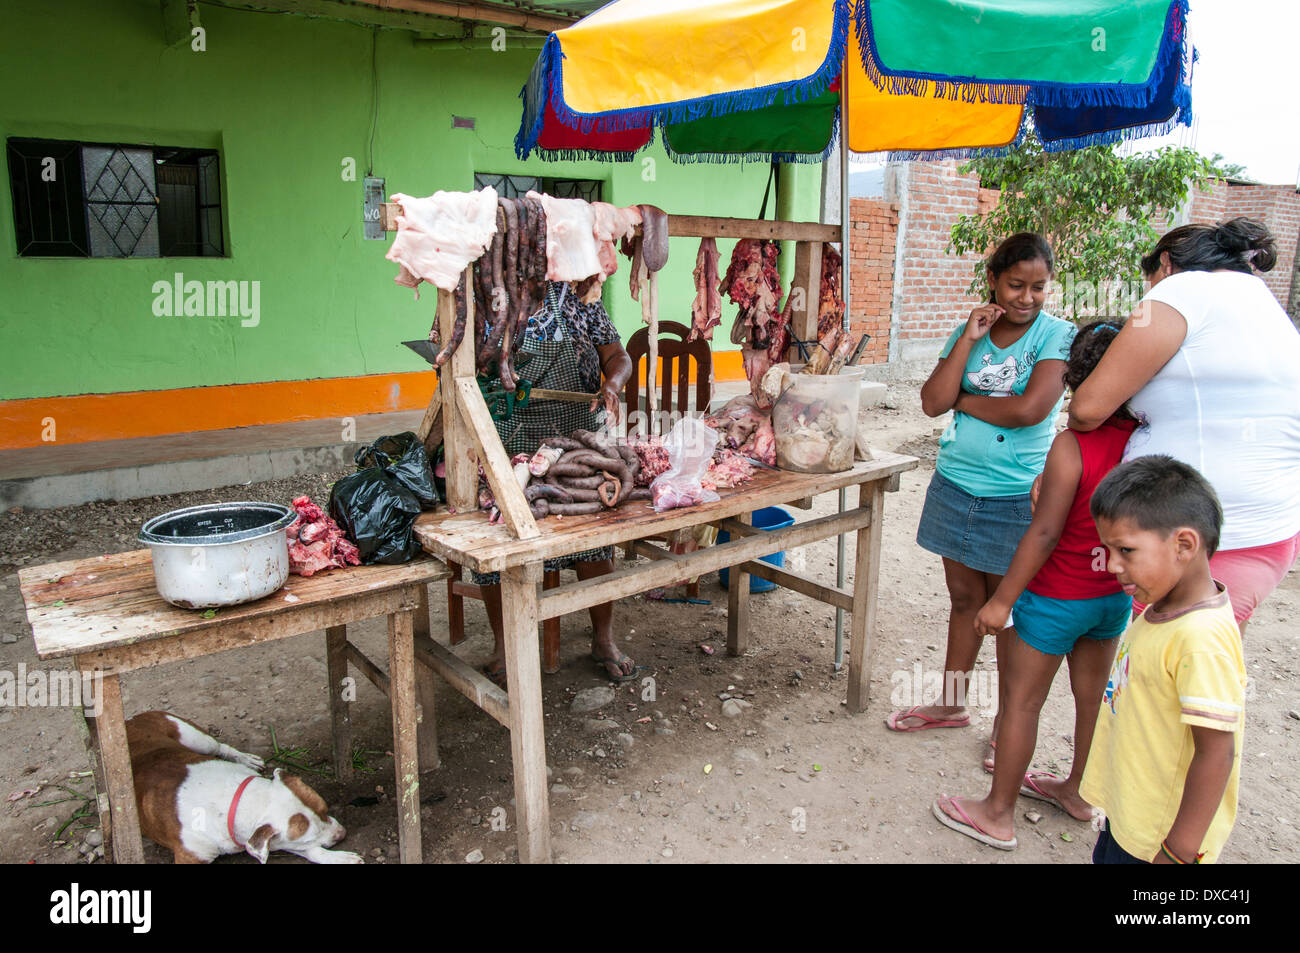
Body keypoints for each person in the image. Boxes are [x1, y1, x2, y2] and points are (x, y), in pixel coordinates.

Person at [932, 322, 1135, 850]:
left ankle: (997, 813)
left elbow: (1044, 533)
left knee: (1022, 704)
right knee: (1093, 700)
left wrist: (1003, 601)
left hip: (1057, 596)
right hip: (1111, 597)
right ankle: (1078, 792)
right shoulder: (1143, 444)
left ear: (1077, 378)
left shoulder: (1073, 446)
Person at [889, 233, 1076, 775]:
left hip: (1014, 495)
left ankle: (1006, 726)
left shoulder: (1055, 335)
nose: (1027, 297)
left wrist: (966, 402)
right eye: (1016, 284)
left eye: (1038, 287)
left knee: (1006, 613)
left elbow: (1030, 410)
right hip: (954, 483)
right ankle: (950, 704)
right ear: (993, 280)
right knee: (963, 599)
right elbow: (930, 402)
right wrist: (969, 341)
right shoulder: (973, 329)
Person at [1069, 218, 1300, 633]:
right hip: (1268, 531)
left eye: (1150, 282)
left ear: (1165, 264)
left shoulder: (1182, 290)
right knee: (1214, 659)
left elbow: (1087, 408)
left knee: (1161, 668)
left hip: (1187, 533)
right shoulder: (1261, 300)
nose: (1148, 295)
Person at [1082, 455, 1245, 864]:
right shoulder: (1160, 607)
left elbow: (1216, 751)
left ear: (1184, 545)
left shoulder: (1200, 639)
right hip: (1130, 814)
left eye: (1125, 550)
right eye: (1108, 550)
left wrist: (1178, 852)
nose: (1113, 565)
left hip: (1158, 840)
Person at [474, 280, 635, 687]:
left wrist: (612, 384)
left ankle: (603, 639)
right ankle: (505, 645)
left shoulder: (580, 296)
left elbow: (617, 355)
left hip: (575, 435)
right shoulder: (487, 295)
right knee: (502, 540)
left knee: (593, 536)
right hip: (511, 436)